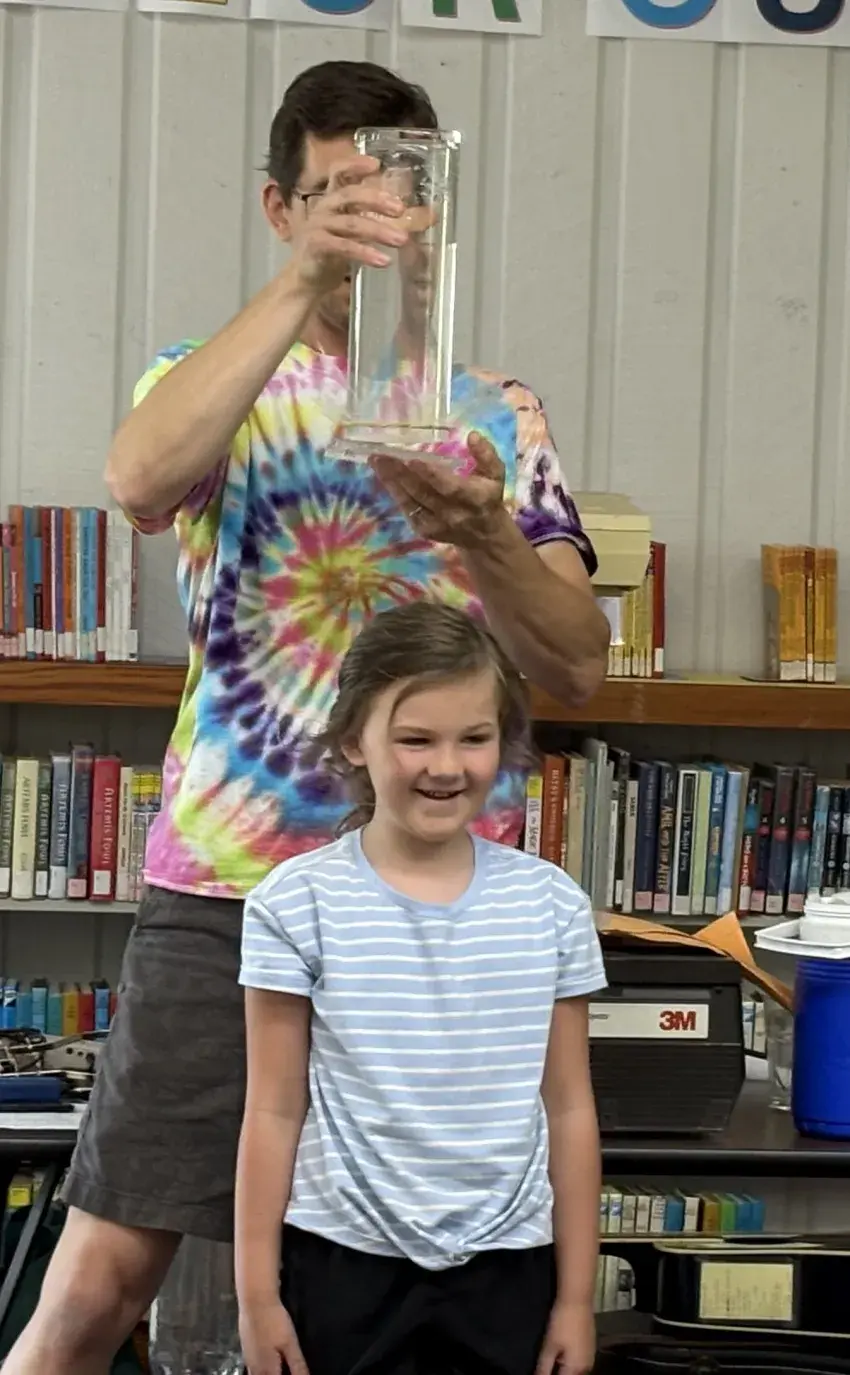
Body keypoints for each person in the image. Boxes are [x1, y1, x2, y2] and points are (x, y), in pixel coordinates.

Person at [3, 60, 609, 1375]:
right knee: (99, 1278)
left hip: (441, 920)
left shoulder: (495, 415)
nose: (371, 220)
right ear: (280, 206)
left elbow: (575, 663)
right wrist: (303, 284)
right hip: (232, 887)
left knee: (407, 1297)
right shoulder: (208, 376)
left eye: (394, 194)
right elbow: (137, 478)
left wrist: (482, 531)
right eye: (336, 194)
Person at [236, 600, 607, 1375]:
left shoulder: (552, 904)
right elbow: (272, 1109)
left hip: (510, 1267)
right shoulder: (293, 903)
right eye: (415, 739)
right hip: (341, 1263)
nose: (447, 766)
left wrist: (576, 1299)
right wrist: (256, 1297)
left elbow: (569, 1106)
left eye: (474, 738)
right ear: (353, 740)